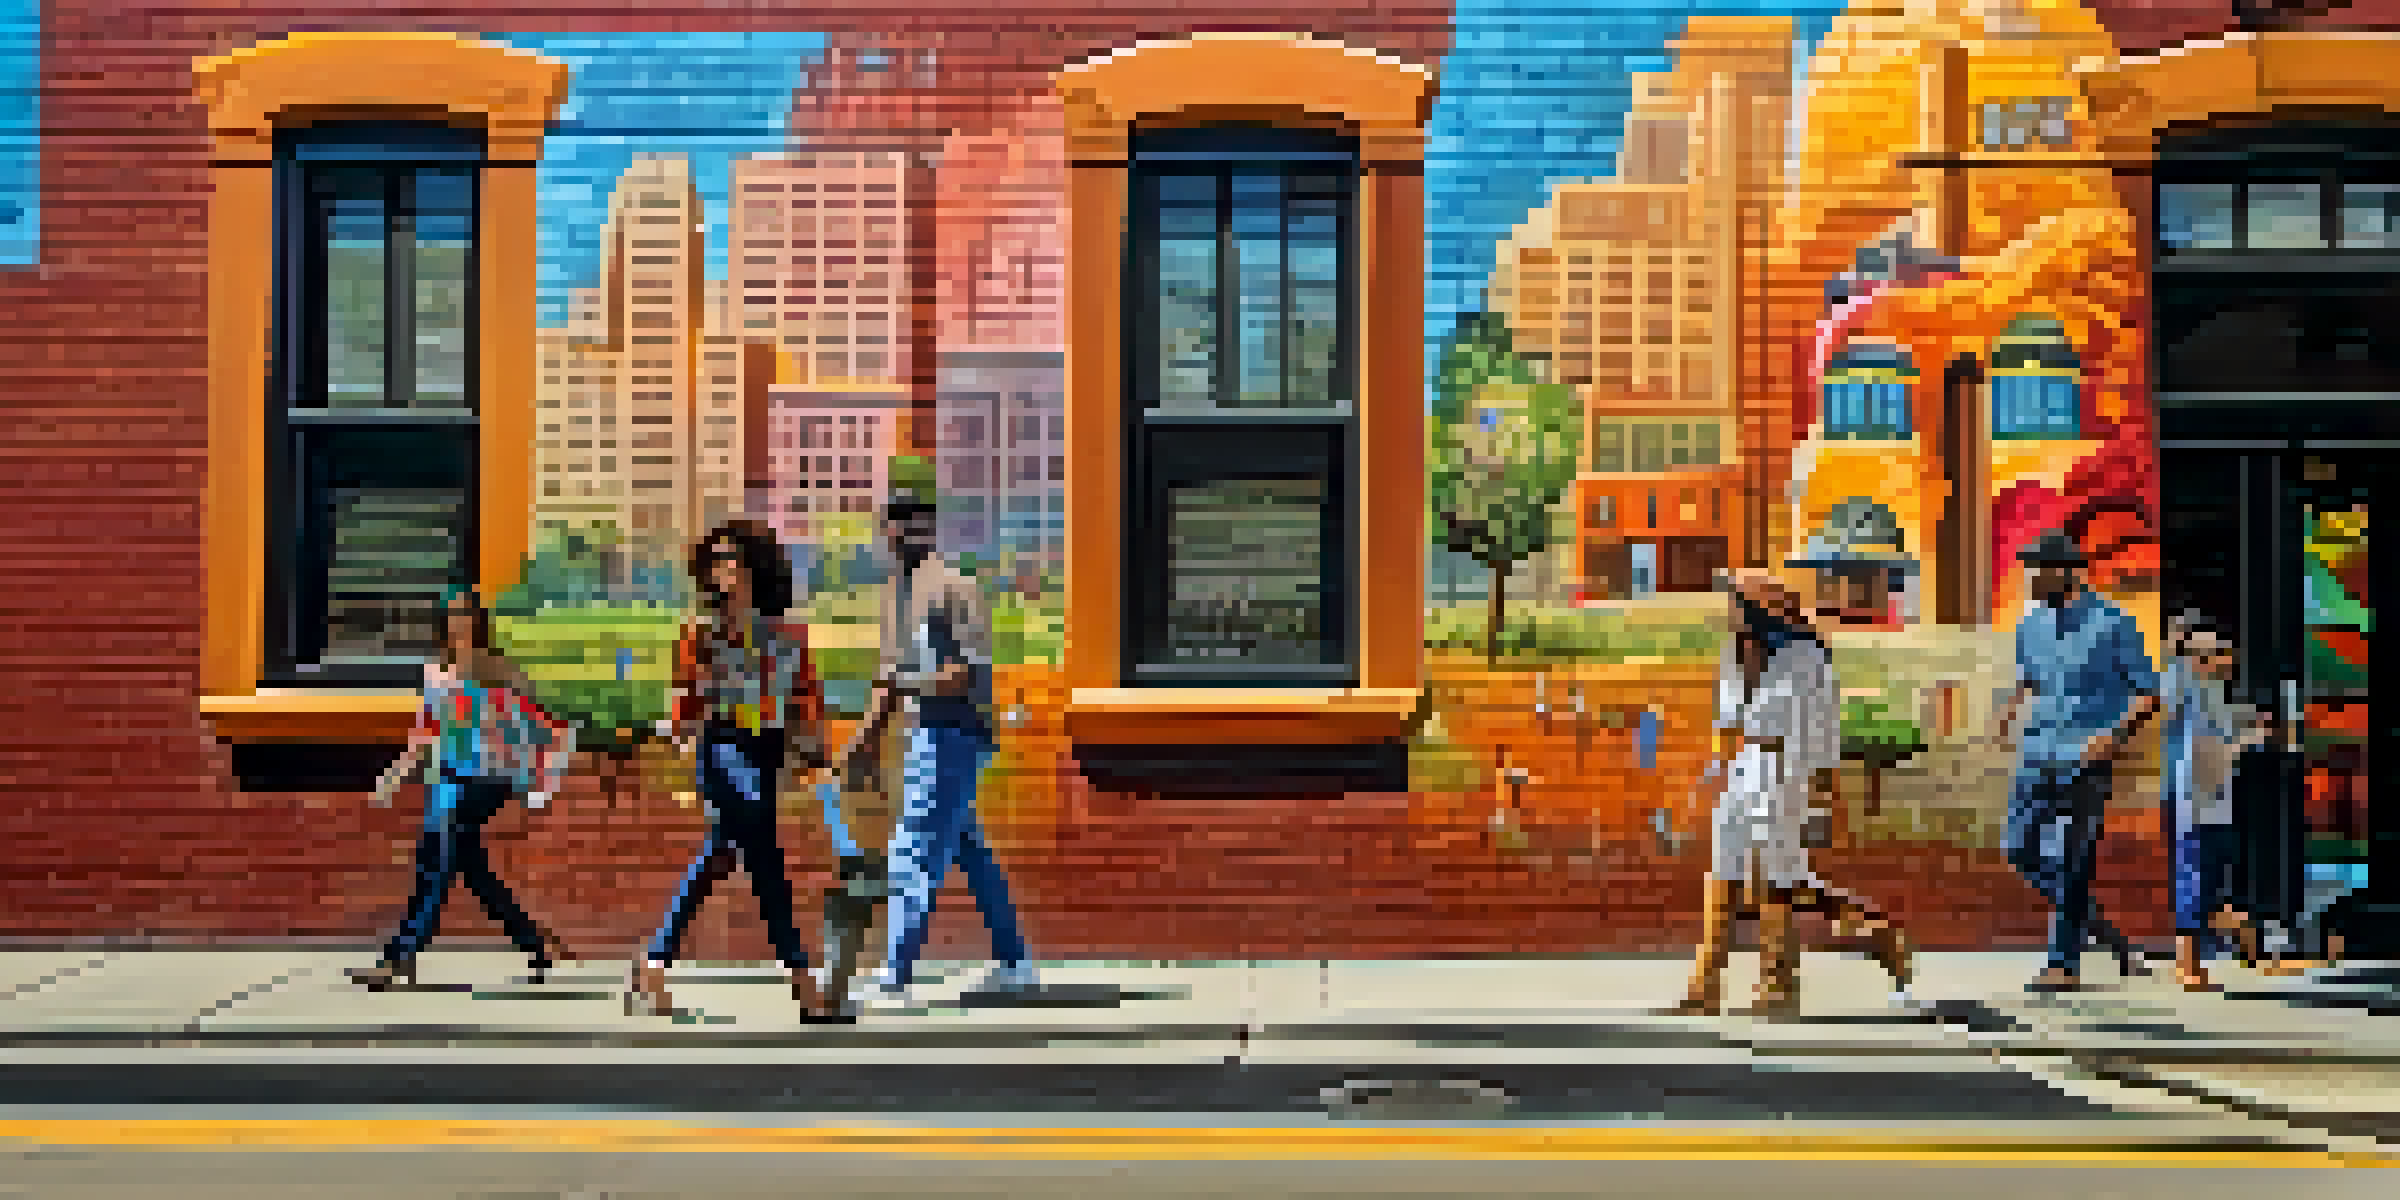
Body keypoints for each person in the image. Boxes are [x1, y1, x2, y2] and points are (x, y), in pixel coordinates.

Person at [1668, 571, 1913, 1017]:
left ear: (1759, 608)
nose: (1729, 609)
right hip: (1744, 767)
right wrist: (1714, 777)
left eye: (1736, 600)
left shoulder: (1807, 656)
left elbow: (1824, 726)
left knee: (1777, 881)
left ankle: (1781, 984)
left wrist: (1822, 791)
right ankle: (1704, 989)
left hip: (1787, 769)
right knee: (1724, 873)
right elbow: (1727, 723)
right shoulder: (1735, 654)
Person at [627, 520, 834, 1020]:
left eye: (731, 558)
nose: (721, 569)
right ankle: (804, 982)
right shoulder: (700, 634)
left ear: (754, 566)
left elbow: (805, 695)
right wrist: (678, 730)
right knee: (765, 856)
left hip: (768, 750)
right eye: (715, 559)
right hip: (721, 749)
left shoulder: (787, 634)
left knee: (721, 854)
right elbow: (685, 701)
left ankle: (653, 962)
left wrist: (816, 749)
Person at [845, 489, 1034, 1011]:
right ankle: (1015, 964)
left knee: (913, 850)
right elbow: (889, 676)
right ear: (886, 532)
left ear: (931, 530)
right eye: (899, 523)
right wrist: (865, 739)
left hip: (955, 733)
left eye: (920, 523)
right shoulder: (893, 594)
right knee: (969, 850)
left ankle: (895, 979)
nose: (909, 533)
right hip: (924, 732)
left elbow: (963, 676)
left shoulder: (956, 588)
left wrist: (905, 685)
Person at [350, 588, 575, 990]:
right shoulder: (437, 673)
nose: (459, 623)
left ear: (478, 621)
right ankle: (536, 943)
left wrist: (538, 780)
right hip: (447, 776)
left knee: (435, 860)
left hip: (488, 780)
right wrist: (395, 773)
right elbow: (426, 730)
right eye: (452, 616)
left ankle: (400, 957)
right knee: (469, 868)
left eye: (466, 615)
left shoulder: (499, 669)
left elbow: (541, 723)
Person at [1994, 530, 2162, 992]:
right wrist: (2008, 709)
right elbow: (2031, 678)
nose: (2029, 579)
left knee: (2073, 860)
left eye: (2037, 571)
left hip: (2086, 759)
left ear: (2066, 572)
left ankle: (2063, 964)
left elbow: (2148, 693)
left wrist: (2110, 739)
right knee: (2018, 849)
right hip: (2037, 753)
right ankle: (2099, 928)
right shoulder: (2029, 624)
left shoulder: (2113, 622)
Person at [2161, 622, 2271, 991]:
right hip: (2199, 797)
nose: (2210, 660)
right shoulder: (2192, 688)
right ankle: (2206, 948)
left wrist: (2249, 736)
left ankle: (2222, 937)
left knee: (2200, 876)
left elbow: (2233, 739)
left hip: (2205, 796)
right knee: (2197, 876)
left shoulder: (2212, 694)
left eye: (2218, 653)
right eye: (2202, 654)